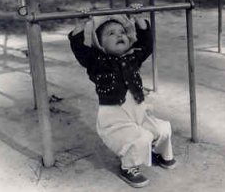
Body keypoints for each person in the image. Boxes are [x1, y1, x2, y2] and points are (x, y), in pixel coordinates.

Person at [68, 12, 176, 188]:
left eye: (122, 32)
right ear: (99, 43)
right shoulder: (96, 61)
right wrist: (80, 26)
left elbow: (147, 45)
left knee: (162, 129)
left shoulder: (133, 56)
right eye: (111, 33)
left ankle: (157, 152)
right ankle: (128, 167)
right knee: (140, 137)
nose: (119, 35)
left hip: (138, 112)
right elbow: (79, 48)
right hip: (115, 117)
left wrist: (139, 19)